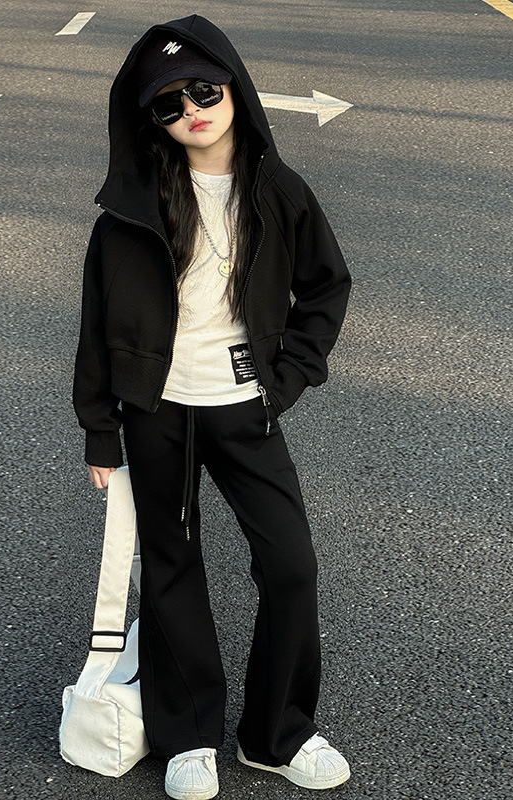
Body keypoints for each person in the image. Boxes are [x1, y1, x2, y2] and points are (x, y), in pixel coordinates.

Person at [73, 14, 352, 800]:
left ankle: (276, 735)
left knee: (291, 566)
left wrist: (289, 376)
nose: (191, 109)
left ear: (234, 88)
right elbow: (97, 326)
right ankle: (188, 736)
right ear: (151, 120)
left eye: (204, 90)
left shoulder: (281, 192)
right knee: (171, 568)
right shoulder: (129, 212)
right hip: (155, 412)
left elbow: (326, 287)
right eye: (169, 103)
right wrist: (100, 430)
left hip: (246, 408)